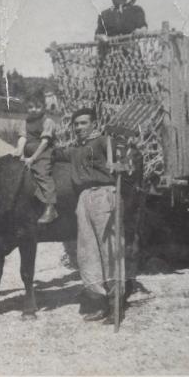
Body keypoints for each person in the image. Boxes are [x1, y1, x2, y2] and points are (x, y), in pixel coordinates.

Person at [53, 107, 120, 324]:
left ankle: (116, 304)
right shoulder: (74, 150)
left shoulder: (103, 141)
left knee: (108, 249)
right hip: (83, 198)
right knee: (87, 252)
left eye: (83, 123)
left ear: (94, 124)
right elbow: (55, 153)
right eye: (76, 124)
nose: (79, 127)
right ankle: (100, 303)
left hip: (103, 194)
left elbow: (120, 158)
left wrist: (117, 161)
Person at [15, 106, 58, 224]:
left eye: (38, 107)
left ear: (43, 108)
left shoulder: (47, 122)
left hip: (44, 153)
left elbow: (45, 142)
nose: (33, 109)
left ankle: (50, 207)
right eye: (30, 107)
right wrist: (19, 152)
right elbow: (23, 138)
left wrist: (33, 158)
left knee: (42, 174)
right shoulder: (25, 122)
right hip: (28, 154)